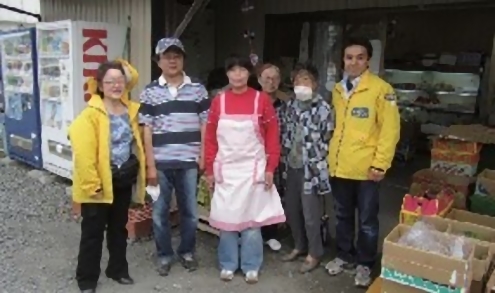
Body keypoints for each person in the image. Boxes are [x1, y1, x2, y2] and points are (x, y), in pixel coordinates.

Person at [325, 37, 400, 287]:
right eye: (349, 57)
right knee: (342, 215)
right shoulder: (337, 90)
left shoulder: (381, 90)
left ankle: (365, 264)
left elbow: (390, 130)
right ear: (343, 61)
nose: (354, 62)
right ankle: (344, 255)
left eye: (359, 57)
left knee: (367, 220)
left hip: (367, 169)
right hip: (339, 165)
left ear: (368, 60)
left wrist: (380, 163)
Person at [204, 55, 286, 284]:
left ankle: (251, 265)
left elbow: (272, 137)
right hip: (227, 170)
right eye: (233, 70)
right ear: (227, 74)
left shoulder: (261, 100)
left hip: (253, 169)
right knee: (227, 220)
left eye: (242, 70)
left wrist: (270, 167)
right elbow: (210, 139)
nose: (238, 75)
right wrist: (210, 170)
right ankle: (228, 264)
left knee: (252, 221)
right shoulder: (218, 102)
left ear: (249, 74)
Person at [70, 60, 145, 293]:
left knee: (118, 228)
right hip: (98, 183)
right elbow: (83, 153)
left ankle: (117, 269)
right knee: (92, 233)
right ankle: (86, 279)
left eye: (120, 80)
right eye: (110, 81)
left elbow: (133, 75)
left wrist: (119, 65)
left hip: (122, 179)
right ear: (100, 85)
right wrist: (92, 185)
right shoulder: (90, 114)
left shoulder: (131, 110)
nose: (116, 85)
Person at [139, 38, 210, 276]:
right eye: (167, 56)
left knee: (189, 211)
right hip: (160, 163)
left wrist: (203, 155)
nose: (172, 60)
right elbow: (145, 130)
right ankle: (164, 255)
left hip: (189, 162)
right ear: (158, 61)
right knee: (159, 213)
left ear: (183, 59)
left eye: (177, 56)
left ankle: (187, 252)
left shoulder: (198, 88)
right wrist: (150, 165)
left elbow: (205, 124)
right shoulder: (149, 92)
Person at [280, 62, 333, 273]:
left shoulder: (323, 109)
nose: (301, 84)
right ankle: (299, 246)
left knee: (311, 215)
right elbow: (284, 132)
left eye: (306, 80)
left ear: (315, 84)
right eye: (297, 80)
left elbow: (328, 138)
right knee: (292, 209)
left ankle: (315, 253)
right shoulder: (290, 106)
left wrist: (319, 162)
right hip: (291, 166)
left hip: (311, 169)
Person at [257, 63, 290, 252]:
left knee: (273, 193)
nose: (271, 82)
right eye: (267, 78)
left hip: (277, 156)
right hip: (254, 156)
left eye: (275, 78)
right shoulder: (253, 101)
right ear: (260, 80)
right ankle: (252, 233)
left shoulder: (285, 104)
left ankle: (270, 234)